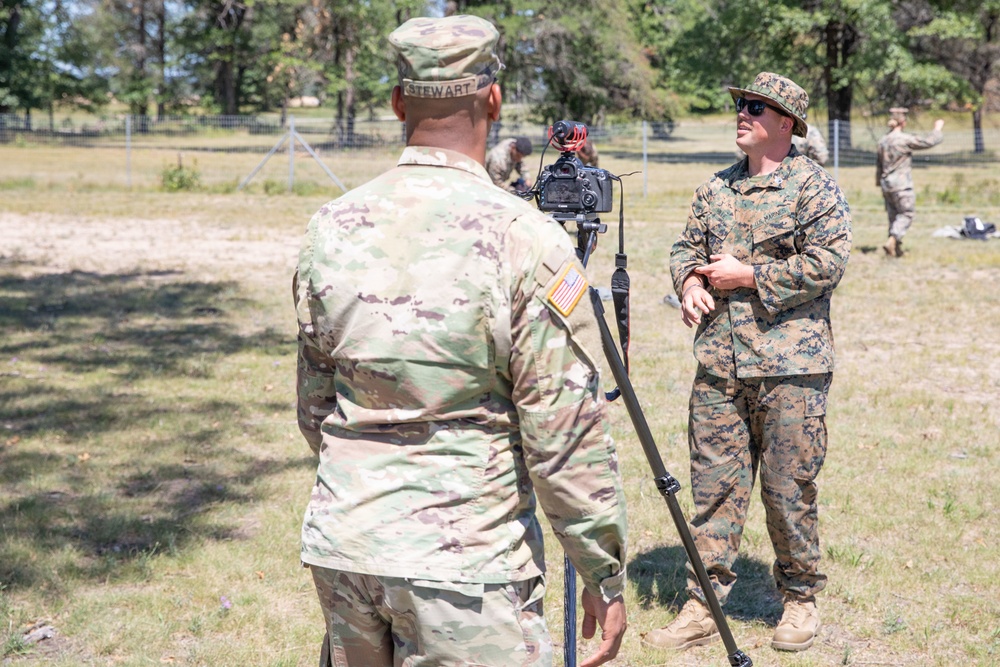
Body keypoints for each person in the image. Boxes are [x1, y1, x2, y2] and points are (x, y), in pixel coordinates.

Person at [293, 14, 628, 667]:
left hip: (345, 543)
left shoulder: (329, 229)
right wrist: (603, 571)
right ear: (493, 100)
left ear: (397, 102)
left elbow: (314, 409)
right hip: (470, 565)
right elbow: (563, 436)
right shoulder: (526, 238)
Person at [644, 72, 852, 654]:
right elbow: (686, 245)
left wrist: (751, 277)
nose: (742, 114)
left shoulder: (813, 187)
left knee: (789, 492)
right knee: (712, 491)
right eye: (739, 105)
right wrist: (687, 280)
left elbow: (829, 262)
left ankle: (800, 599)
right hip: (719, 367)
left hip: (791, 369)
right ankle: (703, 604)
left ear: (786, 123)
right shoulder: (715, 188)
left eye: (755, 108)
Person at [875, 107, 944, 257]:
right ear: (903, 122)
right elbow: (928, 142)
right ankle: (893, 240)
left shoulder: (883, 141)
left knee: (893, 216)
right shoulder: (903, 140)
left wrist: (879, 182)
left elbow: (879, 164)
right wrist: (937, 128)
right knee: (907, 214)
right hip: (901, 184)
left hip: (887, 184)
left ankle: (895, 248)